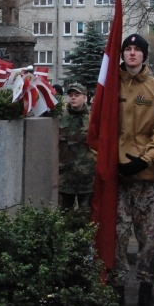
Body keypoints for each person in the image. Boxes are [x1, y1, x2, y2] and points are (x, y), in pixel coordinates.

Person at [111, 34, 154, 306]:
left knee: (148, 236)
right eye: (128, 49)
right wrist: (107, 162)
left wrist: (145, 160)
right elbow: (98, 129)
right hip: (116, 175)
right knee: (117, 233)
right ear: (122, 54)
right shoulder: (110, 85)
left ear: (145, 56)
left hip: (146, 176)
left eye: (138, 50)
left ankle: (146, 289)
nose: (132, 54)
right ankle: (117, 286)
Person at [58, 82, 94, 211]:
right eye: (71, 95)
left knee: (85, 216)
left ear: (84, 97)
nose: (73, 98)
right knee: (63, 216)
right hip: (64, 177)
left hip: (86, 176)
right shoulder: (60, 116)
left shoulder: (93, 117)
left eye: (77, 95)